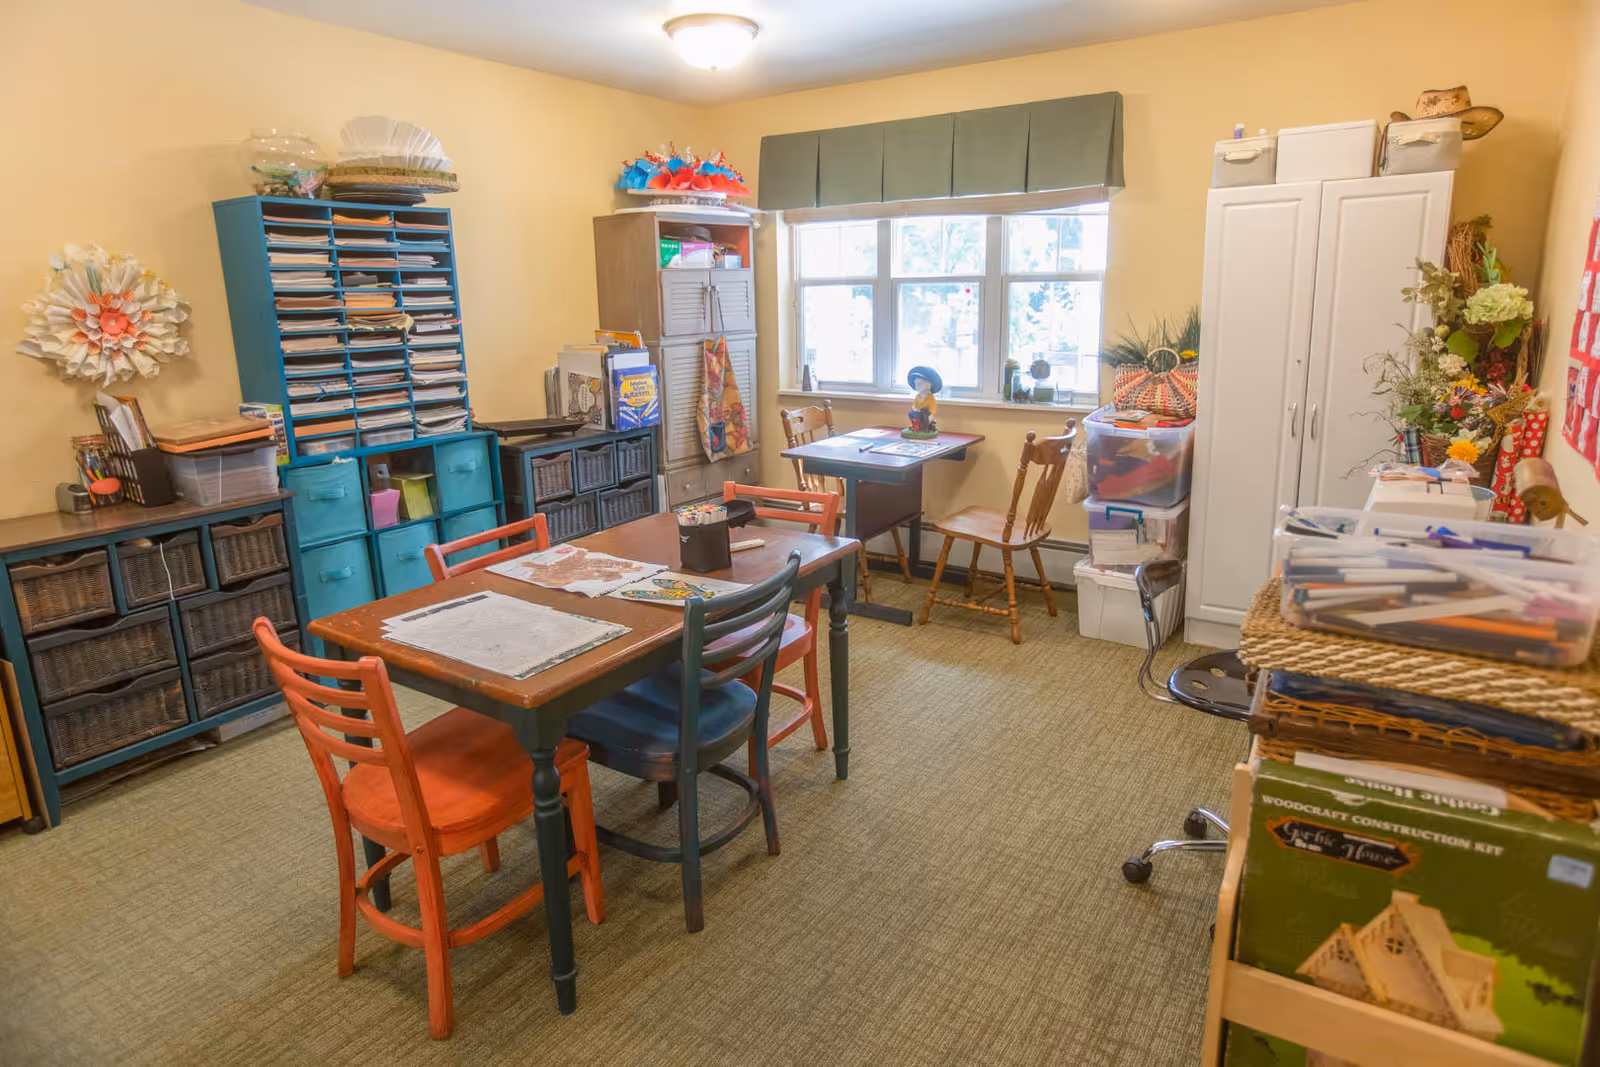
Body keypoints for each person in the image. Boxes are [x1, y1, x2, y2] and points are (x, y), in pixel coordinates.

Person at [906, 365, 943, 436]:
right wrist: (915, 409)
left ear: (929, 384)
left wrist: (931, 416)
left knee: (924, 417)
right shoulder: (918, 397)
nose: (918, 386)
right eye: (916, 384)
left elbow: (933, 408)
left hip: (925, 415)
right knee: (912, 414)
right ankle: (915, 426)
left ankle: (922, 427)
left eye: (920, 383)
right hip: (917, 414)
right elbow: (915, 405)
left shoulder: (930, 398)